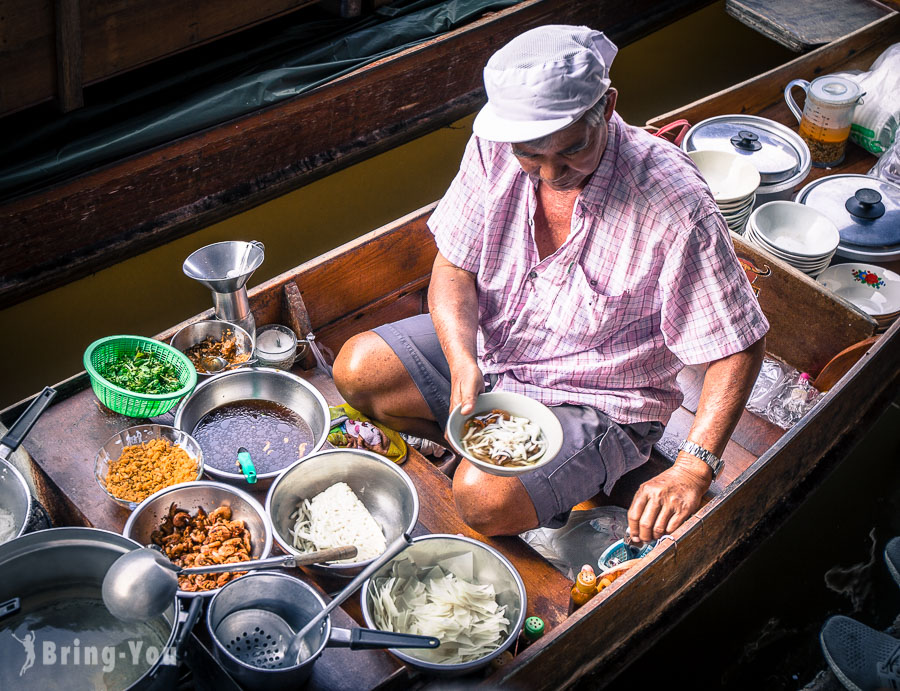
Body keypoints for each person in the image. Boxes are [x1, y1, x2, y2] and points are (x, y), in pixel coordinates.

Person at [333, 25, 768, 542]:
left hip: (600, 393)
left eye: (571, 150)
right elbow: (454, 269)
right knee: (358, 369)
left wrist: (695, 467)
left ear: (607, 107)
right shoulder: (494, 145)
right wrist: (461, 359)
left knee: (480, 498)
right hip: (500, 351)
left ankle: (556, 475)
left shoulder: (675, 205)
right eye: (530, 156)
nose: (550, 174)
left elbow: (738, 347)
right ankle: (527, 478)